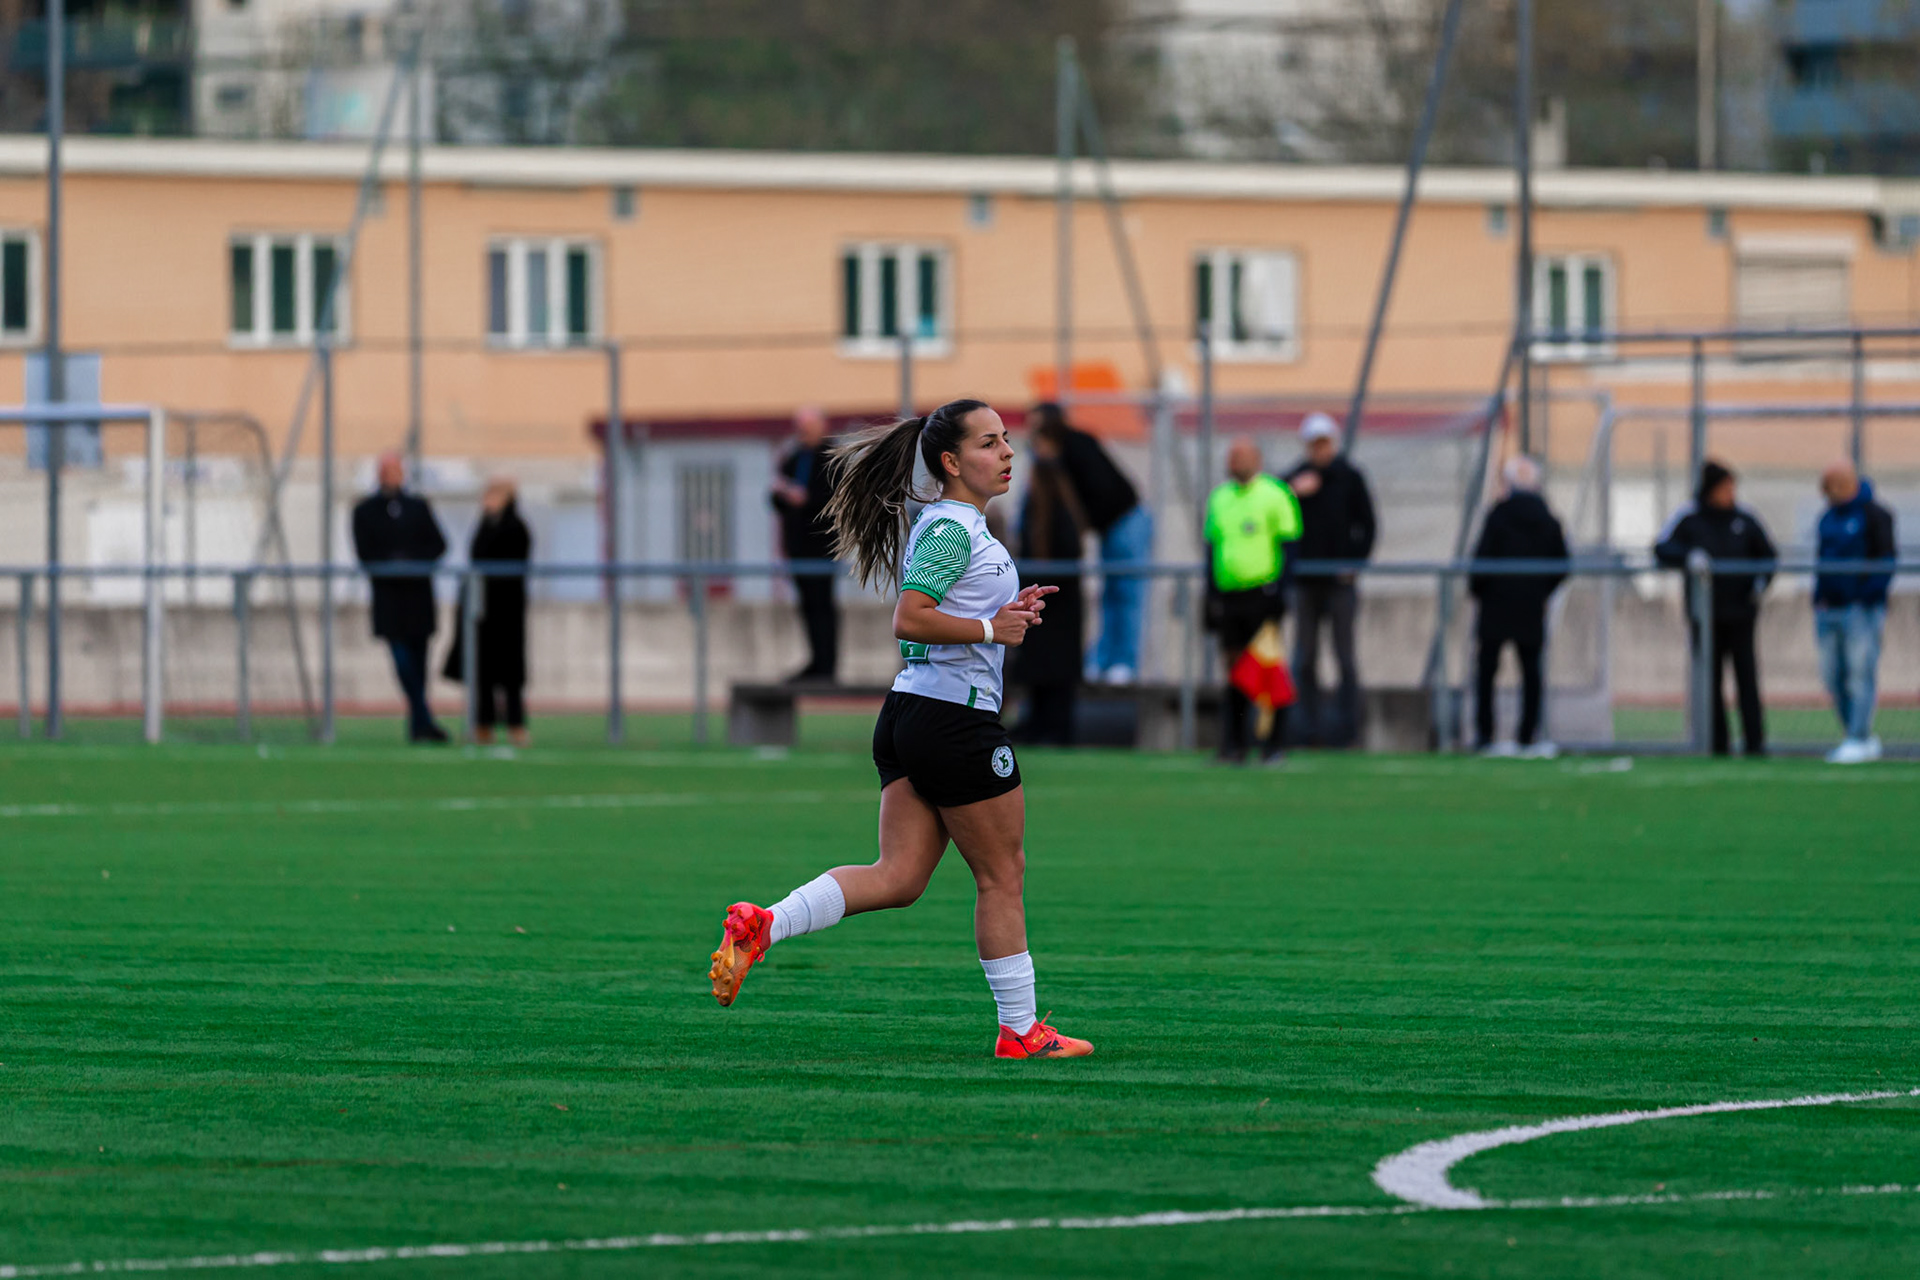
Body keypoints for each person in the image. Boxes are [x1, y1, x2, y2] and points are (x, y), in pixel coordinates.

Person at [707, 398, 1091, 1060]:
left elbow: (953, 615)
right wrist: (988, 628)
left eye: (1006, 441)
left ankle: (764, 925)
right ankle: (1021, 1031)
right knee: (1002, 875)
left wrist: (1004, 612)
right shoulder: (952, 529)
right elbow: (911, 618)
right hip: (952, 721)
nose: (1006, 453)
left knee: (899, 877)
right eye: (989, 443)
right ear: (950, 461)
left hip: (914, 714)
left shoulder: (961, 527)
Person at [1655, 459, 1777, 757]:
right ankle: (1716, 742)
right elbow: (1661, 548)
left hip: (1741, 614)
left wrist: (1759, 585)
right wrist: (1689, 556)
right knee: (1710, 681)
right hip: (1705, 616)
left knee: (1746, 677)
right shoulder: (1690, 518)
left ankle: (1754, 742)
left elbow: (1768, 555)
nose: (1730, 493)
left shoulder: (1744, 520)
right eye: (1724, 487)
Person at [1027, 403, 1151, 684]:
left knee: (1126, 594)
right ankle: (1105, 659)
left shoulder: (1076, 447)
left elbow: (1101, 496)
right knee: (1110, 595)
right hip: (1111, 527)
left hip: (1125, 521)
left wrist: (1080, 527)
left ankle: (1124, 662)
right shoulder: (1056, 459)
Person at [1204, 437, 1303, 765]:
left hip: (1262, 595)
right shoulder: (1220, 498)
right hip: (1230, 597)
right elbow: (1212, 549)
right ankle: (1234, 744)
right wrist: (1211, 596)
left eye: (1242, 457)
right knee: (1234, 672)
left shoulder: (1275, 494)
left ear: (1257, 460)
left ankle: (1273, 744)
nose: (1235, 462)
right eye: (1232, 456)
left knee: (1267, 671)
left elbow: (1289, 546)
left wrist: (1281, 592)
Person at [1284, 412, 1376, 747]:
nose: (1319, 449)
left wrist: (1355, 563)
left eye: (1324, 442)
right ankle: (1307, 727)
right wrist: (1293, 491)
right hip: (1305, 581)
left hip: (1339, 582)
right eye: (1314, 443)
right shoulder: (1293, 478)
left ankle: (1348, 728)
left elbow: (1367, 524)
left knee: (1345, 656)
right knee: (1304, 656)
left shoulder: (1349, 477)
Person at [1468, 456, 1569, 758]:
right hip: (1530, 605)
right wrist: (1541, 591)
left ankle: (1485, 734)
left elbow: (1481, 560)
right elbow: (1562, 563)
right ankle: (1528, 735)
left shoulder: (1498, 515)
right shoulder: (1548, 519)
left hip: (1495, 605)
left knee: (1487, 670)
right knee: (1531, 671)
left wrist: (1479, 590)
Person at [352, 452, 449, 743]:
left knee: (420, 661)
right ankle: (423, 717)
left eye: (395, 470)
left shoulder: (418, 508)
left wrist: (412, 562)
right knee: (401, 659)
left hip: (418, 597)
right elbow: (364, 552)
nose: (390, 475)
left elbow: (438, 545)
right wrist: (390, 564)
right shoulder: (365, 511)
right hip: (388, 598)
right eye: (385, 470)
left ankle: (418, 725)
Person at [1813, 460, 1897, 764]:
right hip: (1828, 608)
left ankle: (1858, 736)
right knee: (1832, 674)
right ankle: (1855, 733)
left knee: (1859, 674)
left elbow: (1885, 561)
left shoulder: (1875, 516)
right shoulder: (1827, 517)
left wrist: (1866, 595)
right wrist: (1820, 597)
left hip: (1860, 609)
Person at [443, 478, 533, 747]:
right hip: (482, 610)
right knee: (482, 669)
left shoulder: (517, 528)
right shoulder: (483, 524)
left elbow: (513, 564)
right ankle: (483, 724)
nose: (487, 500)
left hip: (508, 610)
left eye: (493, 495)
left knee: (511, 672)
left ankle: (516, 724)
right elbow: (475, 558)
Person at [1011, 427, 1088, 745]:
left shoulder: (1047, 509)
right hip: (1052, 602)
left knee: (1050, 668)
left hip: (1053, 603)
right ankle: (1043, 724)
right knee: (1044, 667)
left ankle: (1052, 728)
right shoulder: (1057, 506)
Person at [770, 406, 839, 682]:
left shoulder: (832, 459)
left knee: (823, 605)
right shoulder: (793, 458)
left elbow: (835, 501)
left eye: (808, 428)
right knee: (808, 606)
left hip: (822, 546)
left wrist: (805, 499)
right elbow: (778, 500)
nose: (803, 433)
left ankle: (827, 665)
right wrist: (781, 495)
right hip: (797, 545)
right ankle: (815, 661)